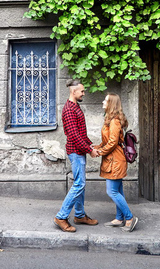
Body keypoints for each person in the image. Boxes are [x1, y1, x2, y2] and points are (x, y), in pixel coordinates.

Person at [54, 79, 100, 233]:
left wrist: (90, 144)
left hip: (79, 150)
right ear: (73, 92)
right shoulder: (68, 109)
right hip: (75, 151)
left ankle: (79, 215)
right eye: (81, 91)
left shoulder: (75, 106)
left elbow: (80, 132)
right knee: (79, 184)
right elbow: (73, 135)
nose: (83, 93)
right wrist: (89, 149)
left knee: (81, 183)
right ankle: (61, 216)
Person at [95, 92, 138, 232]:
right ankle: (119, 218)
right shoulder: (111, 119)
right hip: (114, 158)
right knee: (118, 190)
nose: (102, 102)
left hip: (115, 160)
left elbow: (113, 142)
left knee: (112, 191)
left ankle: (129, 217)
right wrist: (96, 147)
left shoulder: (115, 121)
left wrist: (100, 152)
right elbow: (107, 141)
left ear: (111, 104)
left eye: (105, 100)